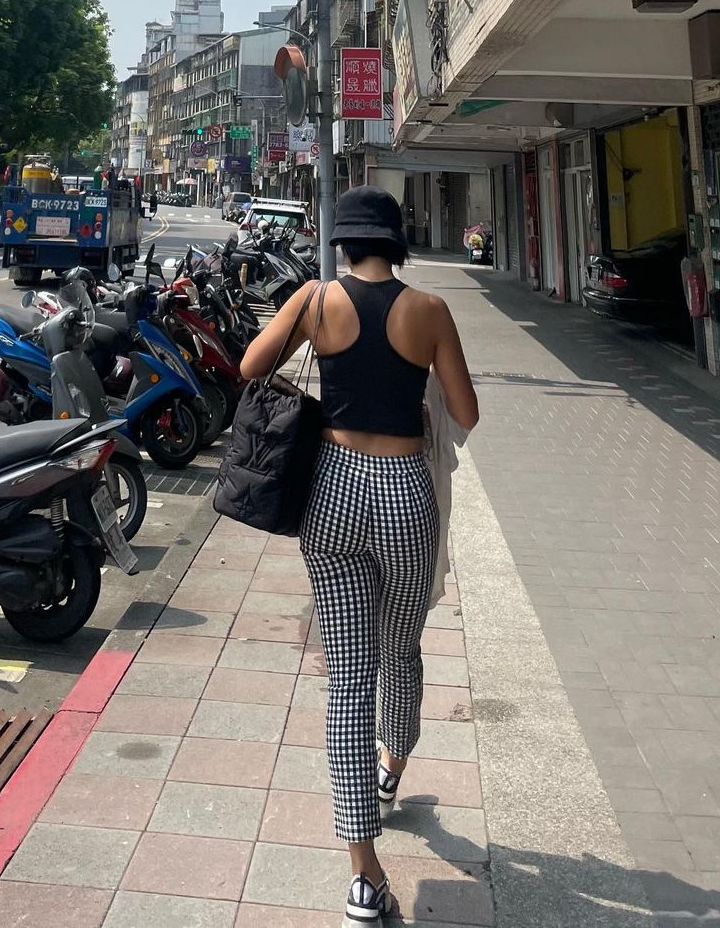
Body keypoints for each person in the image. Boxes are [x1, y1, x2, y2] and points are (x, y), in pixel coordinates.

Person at [240, 186, 479, 925]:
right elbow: (466, 413)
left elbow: (250, 366)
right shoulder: (429, 310)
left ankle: (364, 876)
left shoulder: (316, 300)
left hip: (334, 490)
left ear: (342, 243)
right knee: (401, 649)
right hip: (405, 490)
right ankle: (392, 766)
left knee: (347, 679)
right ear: (397, 243)